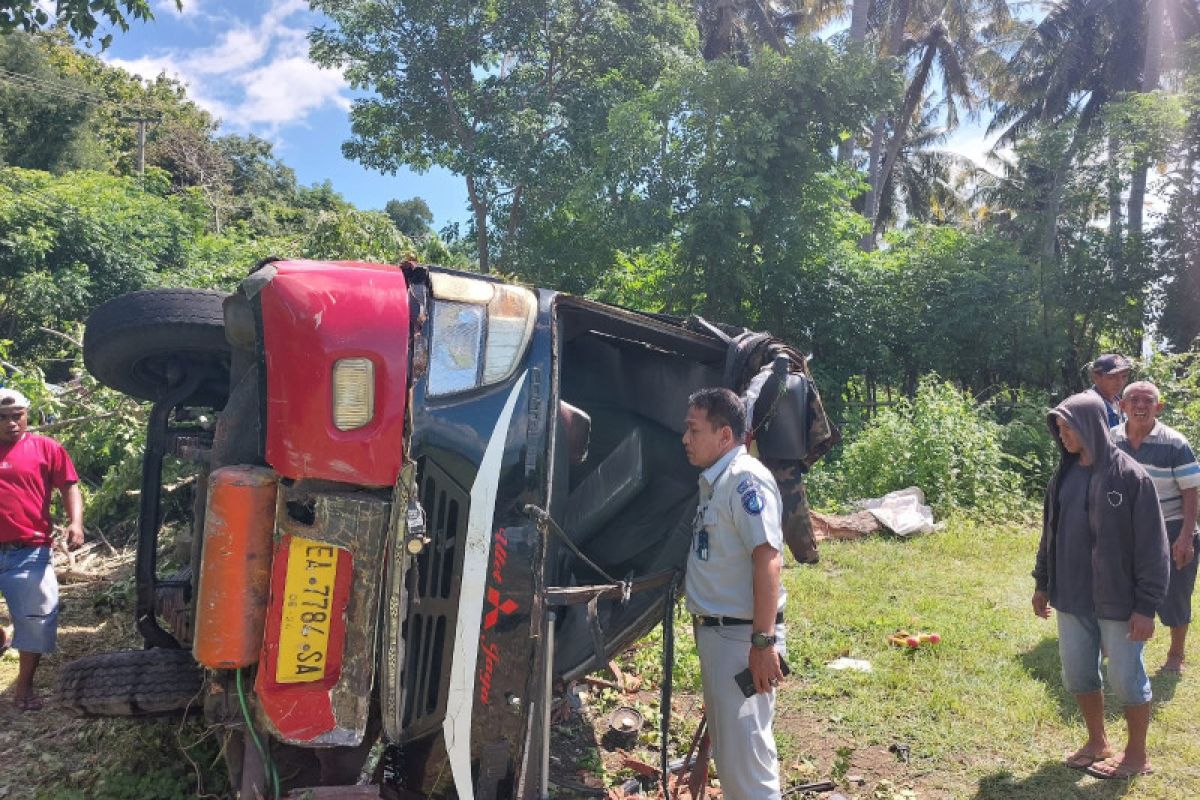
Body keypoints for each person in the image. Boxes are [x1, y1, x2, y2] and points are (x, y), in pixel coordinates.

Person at [1032, 390, 1169, 779]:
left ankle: (1137, 755)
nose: (1062, 437)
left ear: (1090, 426)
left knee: (1127, 678)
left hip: (1121, 602)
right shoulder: (1063, 477)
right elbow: (1050, 534)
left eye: (1068, 428)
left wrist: (1146, 606)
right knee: (1077, 673)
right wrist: (1043, 583)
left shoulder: (1131, 477)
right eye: (1058, 430)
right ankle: (1097, 741)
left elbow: (1152, 548)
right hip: (1072, 597)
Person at [682, 387, 786, 799]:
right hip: (724, 637)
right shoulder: (718, 482)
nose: (685, 439)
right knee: (737, 758)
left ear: (724, 436)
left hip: (742, 638)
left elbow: (768, 560)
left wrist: (763, 643)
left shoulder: (744, 480)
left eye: (694, 430)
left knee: (748, 765)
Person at [0, 387, 83, 711]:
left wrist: (75, 523)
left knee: (37, 618)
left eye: (16, 416)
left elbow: (69, 486)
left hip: (29, 552)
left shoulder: (46, 449)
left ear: (27, 415)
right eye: (2, 418)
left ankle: (23, 689)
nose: (10, 423)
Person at [1115, 381, 1200, 674]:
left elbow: (1192, 491)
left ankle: (1176, 654)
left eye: (1147, 400)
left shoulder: (1175, 443)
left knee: (1175, 593)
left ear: (1158, 407)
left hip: (1171, 527)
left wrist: (1186, 537)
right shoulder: (1111, 440)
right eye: (1133, 400)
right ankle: (1125, 647)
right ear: (1121, 406)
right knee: (1123, 590)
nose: (1140, 405)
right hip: (1127, 532)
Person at [1090, 353, 1133, 428]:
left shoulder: (1120, 404)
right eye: (1112, 377)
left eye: (1124, 376)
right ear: (1096, 377)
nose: (1120, 382)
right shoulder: (1088, 405)